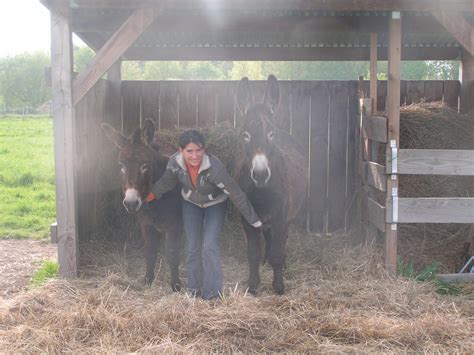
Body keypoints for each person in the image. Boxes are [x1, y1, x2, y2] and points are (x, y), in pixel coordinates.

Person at [146, 129, 261, 300]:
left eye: (199, 150)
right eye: (189, 151)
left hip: (214, 204)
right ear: (181, 151)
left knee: (209, 246)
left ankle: (212, 294)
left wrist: (254, 220)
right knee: (192, 246)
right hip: (191, 204)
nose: (195, 156)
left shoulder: (214, 168)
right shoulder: (175, 163)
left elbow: (235, 193)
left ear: (204, 150)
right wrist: (148, 196)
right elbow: (166, 182)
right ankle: (193, 291)